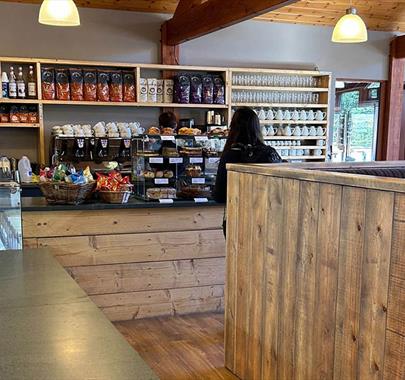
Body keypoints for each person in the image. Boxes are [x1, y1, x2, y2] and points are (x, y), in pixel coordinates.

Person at [213, 107, 282, 236]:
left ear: (233, 128)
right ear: (257, 127)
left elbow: (219, 195)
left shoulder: (230, 155)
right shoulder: (269, 154)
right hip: (267, 221)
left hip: (236, 220)